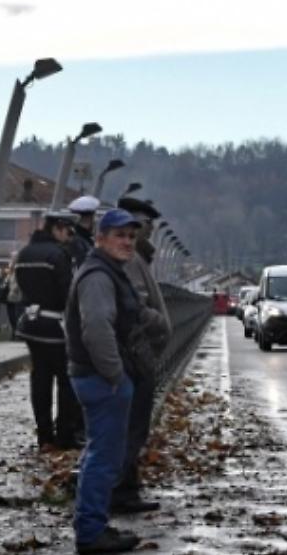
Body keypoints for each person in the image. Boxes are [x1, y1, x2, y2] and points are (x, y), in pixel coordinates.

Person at [66, 209, 145, 553]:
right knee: (104, 456)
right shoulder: (98, 277)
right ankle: (91, 533)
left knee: (99, 453)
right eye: (119, 235)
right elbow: (97, 328)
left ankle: (93, 523)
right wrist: (115, 375)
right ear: (100, 238)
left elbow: (130, 312)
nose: (127, 242)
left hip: (98, 376)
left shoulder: (107, 271)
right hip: (102, 379)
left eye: (131, 236)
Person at [110, 197, 171, 514]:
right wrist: (158, 325)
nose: (146, 232)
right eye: (144, 226)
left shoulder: (136, 258)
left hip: (135, 355)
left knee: (132, 426)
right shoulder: (132, 260)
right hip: (135, 356)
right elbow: (135, 307)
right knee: (131, 427)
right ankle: (121, 491)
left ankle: (127, 487)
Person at [13, 210, 83, 451]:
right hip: (56, 326)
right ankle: (64, 435)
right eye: (68, 231)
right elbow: (68, 294)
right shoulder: (59, 255)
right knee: (66, 381)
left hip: (31, 324)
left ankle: (44, 436)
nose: (70, 237)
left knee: (40, 380)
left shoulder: (25, 253)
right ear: (57, 228)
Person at [67, 195, 101, 267]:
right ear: (90, 218)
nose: (96, 220)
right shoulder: (78, 241)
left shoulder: (77, 237)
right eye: (95, 216)